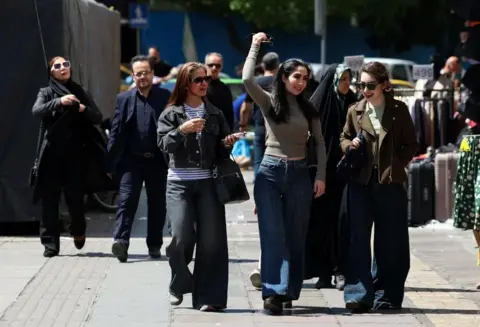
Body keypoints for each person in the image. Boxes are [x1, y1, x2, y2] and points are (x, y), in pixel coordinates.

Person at [242, 32, 327, 315]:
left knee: (295, 233)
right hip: (269, 172)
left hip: (300, 174)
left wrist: (321, 176)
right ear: (283, 77)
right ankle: (273, 293)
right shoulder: (268, 101)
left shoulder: (309, 108)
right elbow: (246, 80)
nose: (301, 82)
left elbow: (319, 142)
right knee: (272, 233)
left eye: (305, 78)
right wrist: (255, 45)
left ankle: (290, 289)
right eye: (296, 77)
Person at [157, 62, 241, 311]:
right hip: (179, 184)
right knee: (180, 236)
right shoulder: (171, 113)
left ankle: (209, 298)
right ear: (185, 83)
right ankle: (179, 281)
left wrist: (228, 142)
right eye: (197, 80)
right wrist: (181, 130)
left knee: (212, 241)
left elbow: (221, 151)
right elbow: (163, 144)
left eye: (205, 79)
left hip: (208, 183)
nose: (204, 83)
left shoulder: (214, 113)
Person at [340, 62, 418, 312]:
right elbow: (343, 137)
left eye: (370, 85)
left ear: (384, 85)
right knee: (358, 239)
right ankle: (358, 295)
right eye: (361, 85)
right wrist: (348, 145)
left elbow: (411, 144)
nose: (365, 90)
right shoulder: (355, 110)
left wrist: (396, 165)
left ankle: (387, 295)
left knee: (391, 241)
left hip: (390, 183)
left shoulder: (399, 110)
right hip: (360, 183)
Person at [32, 56, 104, 257]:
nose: (63, 68)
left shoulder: (80, 91)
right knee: (50, 202)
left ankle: (78, 231)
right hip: (51, 156)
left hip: (75, 156)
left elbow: (97, 116)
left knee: (75, 199)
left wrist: (81, 108)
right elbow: (36, 111)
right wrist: (58, 102)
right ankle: (50, 245)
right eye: (57, 66)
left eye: (66, 64)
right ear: (51, 72)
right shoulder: (46, 92)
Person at [107, 55, 171, 263]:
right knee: (126, 201)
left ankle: (154, 244)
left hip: (156, 161)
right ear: (133, 76)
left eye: (146, 73)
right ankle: (121, 242)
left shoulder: (164, 96)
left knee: (157, 204)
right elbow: (116, 131)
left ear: (153, 74)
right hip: (131, 161)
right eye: (138, 73)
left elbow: (172, 127)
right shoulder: (123, 99)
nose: (142, 77)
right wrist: (110, 160)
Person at [306, 64, 357, 290]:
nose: (347, 83)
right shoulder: (320, 106)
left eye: (349, 78)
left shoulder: (354, 104)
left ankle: (340, 270)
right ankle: (323, 271)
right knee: (321, 224)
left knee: (342, 223)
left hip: (345, 174)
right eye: (343, 79)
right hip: (321, 175)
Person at [205, 52, 235, 130]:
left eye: (217, 66)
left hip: (220, 131)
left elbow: (229, 113)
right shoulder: (198, 85)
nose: (214, 68)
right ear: (205, 65)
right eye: (211, 65)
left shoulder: (224, 88)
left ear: (221, 67)